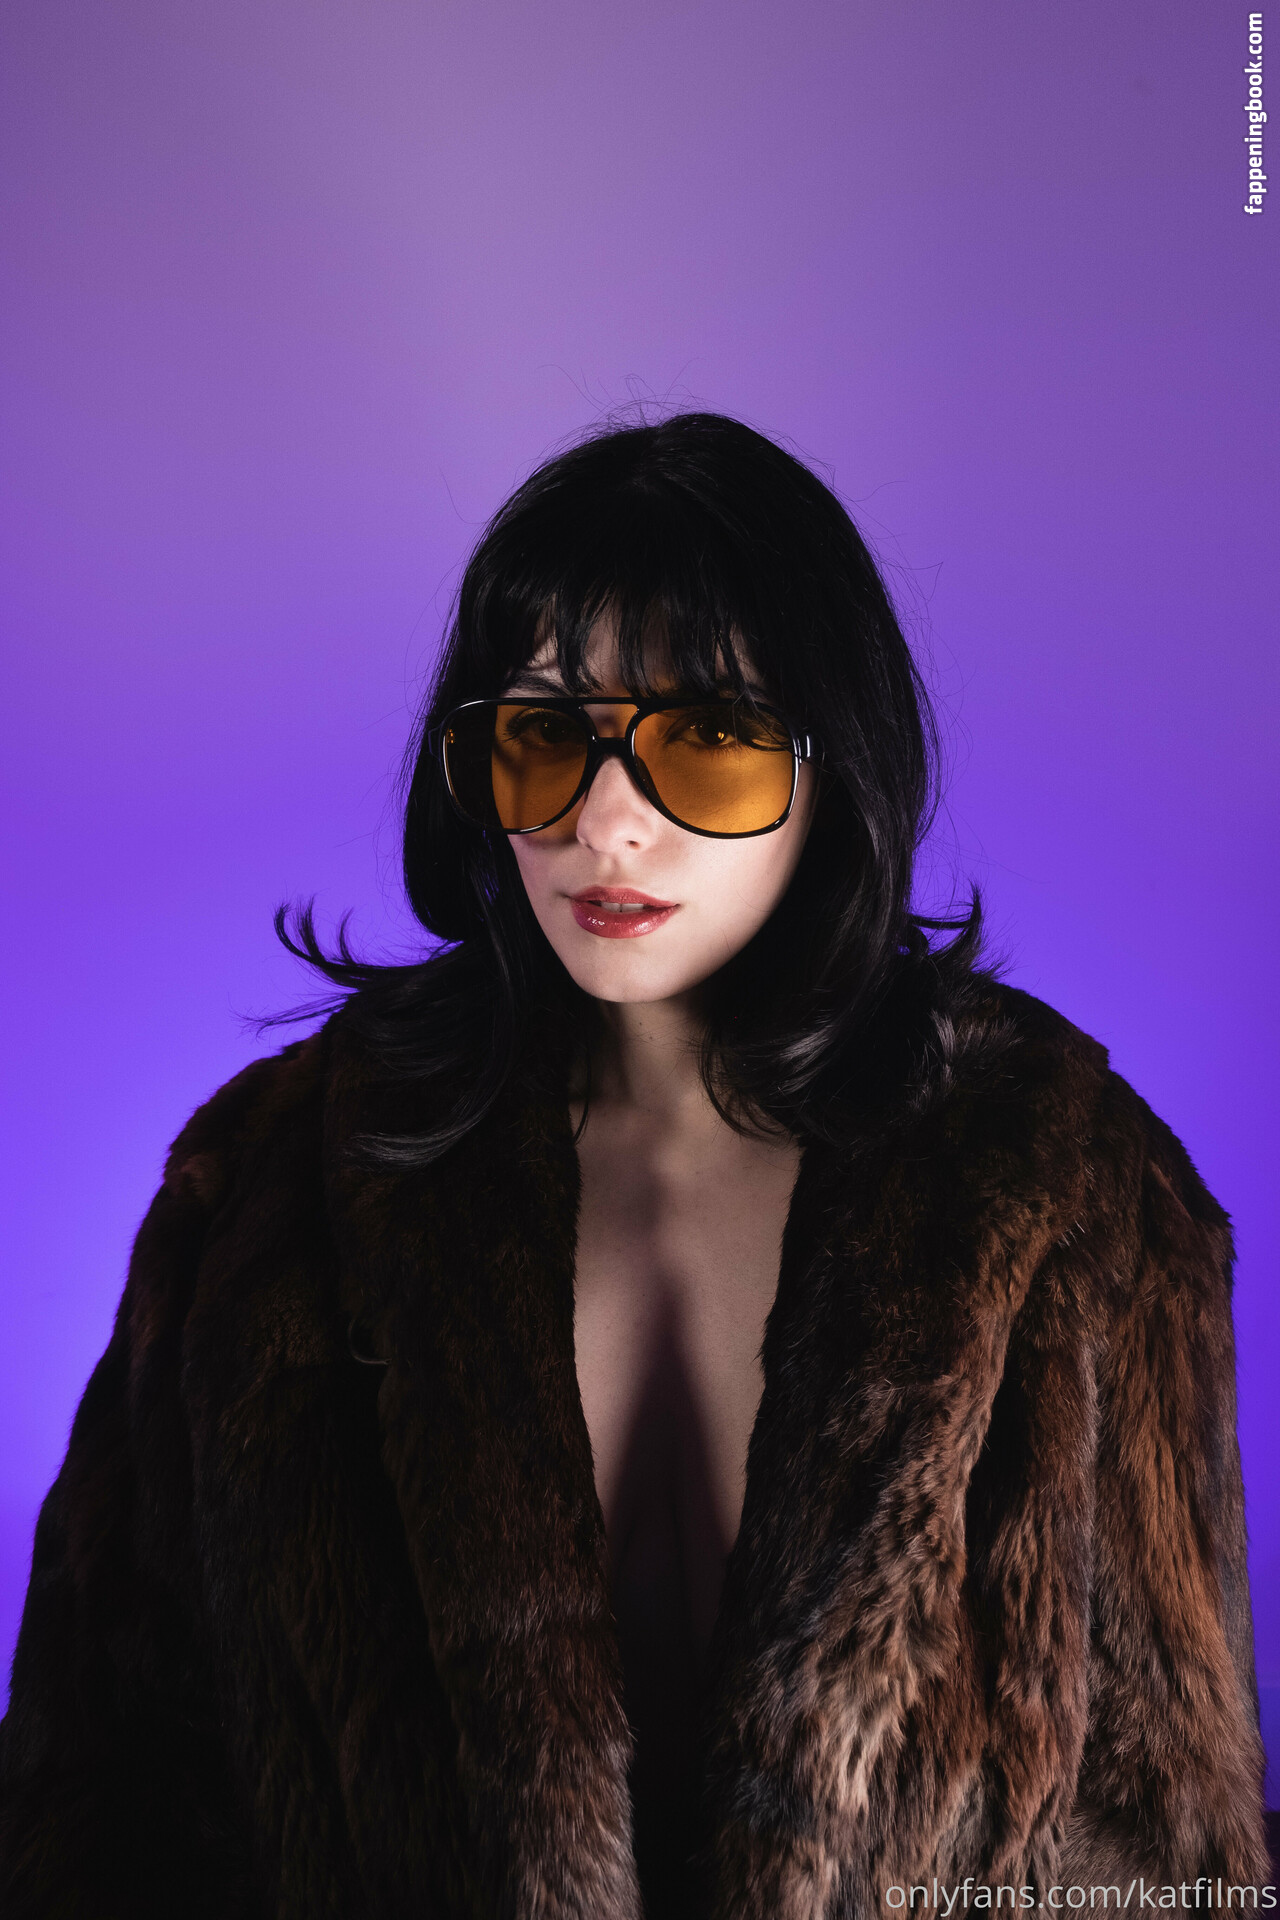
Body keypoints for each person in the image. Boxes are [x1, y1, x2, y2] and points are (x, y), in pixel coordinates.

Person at [0, 413, 1268, 1919]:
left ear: (836, 768)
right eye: (545, 734)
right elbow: (103, 1809)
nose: (606, 823)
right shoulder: (269, 1194)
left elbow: (1166, 1836)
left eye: (710, 737)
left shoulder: (1063, 1185)